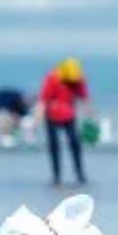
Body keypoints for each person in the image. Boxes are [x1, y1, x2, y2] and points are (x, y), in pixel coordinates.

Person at [39, 57, 92, 185]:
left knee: (75, 143)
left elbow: (84, 97)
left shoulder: (78, 79)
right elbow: (44, 99)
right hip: (52, 115)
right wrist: (37, 117)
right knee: (54, 146)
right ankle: (56, 177)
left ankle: (80, 175)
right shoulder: (52, 78)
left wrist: (89, 113)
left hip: (69, 114)